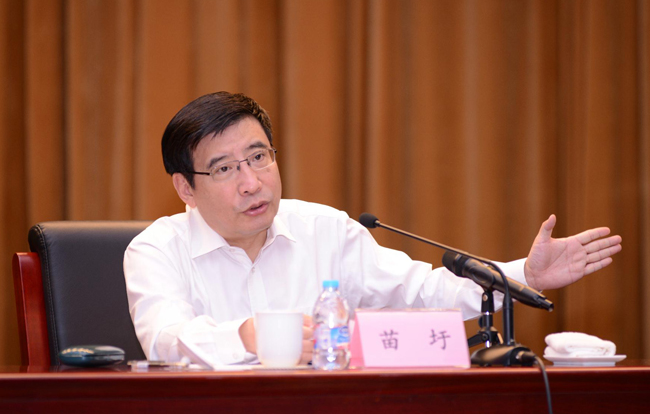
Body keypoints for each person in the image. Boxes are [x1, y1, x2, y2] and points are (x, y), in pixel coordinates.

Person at [123, 91, 622, 366]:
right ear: (186, 187)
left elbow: (423, 292)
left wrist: (523, 276)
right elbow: (165, 338)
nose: (252, 182)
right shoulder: (156, 250)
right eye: (225, 168)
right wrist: (247, 336)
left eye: (259, 157)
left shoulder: (324, 229)